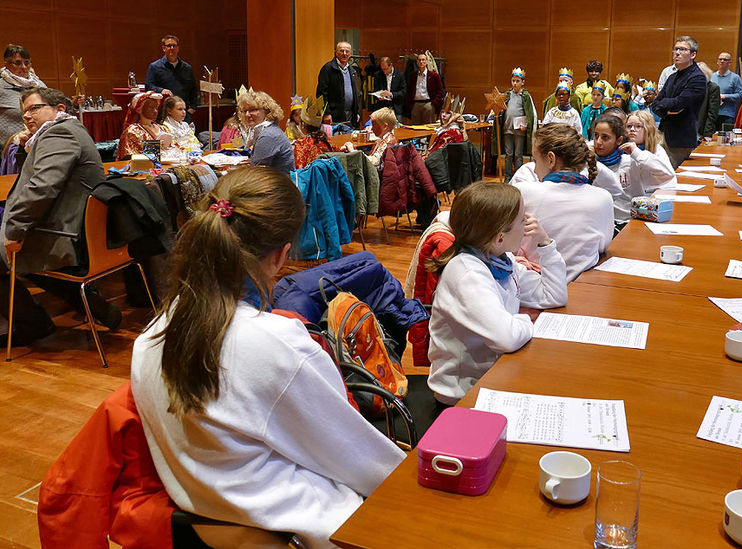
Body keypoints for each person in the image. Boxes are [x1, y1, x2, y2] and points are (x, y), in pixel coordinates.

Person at [130, 167, 404, 548]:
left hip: (206, 518)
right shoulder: (279, 346)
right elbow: (364, 463)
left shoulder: (151, 335)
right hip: (305, 529)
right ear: (281, 256)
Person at [425, 181, 567, 406]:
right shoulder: (467, 273)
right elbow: (506, 337)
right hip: (462, 396)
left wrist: (545, 243)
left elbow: (553, 295)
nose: (528, 224)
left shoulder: (501, 260)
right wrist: (528, 321)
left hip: (494, 375)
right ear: (500, 238)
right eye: (522, 220)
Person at [2, 87, 120, 343]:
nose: (28, 117)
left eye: (34, 108)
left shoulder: (60, 134)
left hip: (67, 237)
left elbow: (42, 187)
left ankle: (33, 324)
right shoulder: (65, 131)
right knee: (21, 256)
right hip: (74, 231)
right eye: (24, 113)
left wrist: (14, 229)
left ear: (60, 109)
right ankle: (93, 306)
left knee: (7, 251)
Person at [514, 124, 613, 282]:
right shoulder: (604, 198)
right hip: (582, 290)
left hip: (533, 290)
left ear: (551, 159)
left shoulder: (522, 192)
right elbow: (602, 247)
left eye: (535, 160)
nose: (533, 169)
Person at [650, 35, 707, 168]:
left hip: (680, 139)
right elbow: (655, 104)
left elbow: (679, 103)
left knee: (669, 178)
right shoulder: (672, 77)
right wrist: (668, 111)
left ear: (693, 54)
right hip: (663, 133)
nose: (677, 53)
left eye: (682, 49)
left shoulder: (697, 77)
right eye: (676, 49)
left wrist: (665, 105)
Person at [0, 44, 47, 147]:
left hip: (38, 146)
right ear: (6, 64)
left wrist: (74, 104)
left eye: (27, 63)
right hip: (8, 150)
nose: (24, 67)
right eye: (17, 63)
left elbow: (53, 109)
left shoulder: (39, 85)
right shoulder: (1, 86)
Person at [237, 89, 293, 173]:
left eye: (253, 110)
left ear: (267, 111)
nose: (247, 115)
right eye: (244, 111)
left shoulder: (268, 135)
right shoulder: (269, 129)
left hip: (277, 184)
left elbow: (255, 172)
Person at [496, 67, 537, 183]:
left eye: (517, 81)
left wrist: (526, 125)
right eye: (513, 80)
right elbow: (500, 109)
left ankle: (518, 178)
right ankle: (507, 177)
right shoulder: (507, 95)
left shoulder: (525, 96)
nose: (515, 83)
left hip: (519, 130)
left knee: (518, 155)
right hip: (507, 129)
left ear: (523, 82)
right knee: (509, 155)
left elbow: (530, 113)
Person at [144, 35, 197, 113]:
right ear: (164, 48)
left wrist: (193, 107)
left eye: (174, 46)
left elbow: (193, 89)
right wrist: (161, 90)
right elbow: (148, 86)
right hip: (163, 111)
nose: (172, 48)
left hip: (183, 113)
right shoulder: (154, 67)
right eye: (169, 46)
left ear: (178, 48)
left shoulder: (187, 68)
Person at [317, 42, 362, 128]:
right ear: (336, 52)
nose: (344, 54)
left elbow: (356, 94)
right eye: (342, 51)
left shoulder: (352, 70)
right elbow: (321, 94)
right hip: (334, 116)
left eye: (347, 51)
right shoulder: (327, 69)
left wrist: (357, 112)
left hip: (350, 116)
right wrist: (326, 113)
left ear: (350, 54)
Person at [117, 92, 171, 159]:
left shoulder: (162, 128)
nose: (155, 111)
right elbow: (127, 156)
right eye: (151, 107)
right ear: (139, 110)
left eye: (156, 108)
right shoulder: (132, 131)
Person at [405, 53, 444, 125]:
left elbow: (441, 91)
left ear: (426, 62)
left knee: (428, 127)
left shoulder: (434, 76)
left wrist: (434, 103)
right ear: (417, 62)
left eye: (423, 60)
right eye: (419, 60)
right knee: (416, 128)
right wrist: (410, 104)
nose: (421, 62)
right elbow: (409, 90)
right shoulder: (412, 75)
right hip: (415, 105)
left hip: (428, 104)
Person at [713, 52, 742, 131]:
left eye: (725, 60)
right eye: (720, 59)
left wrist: (724, 96)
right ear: (717, 61)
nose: (722, 61)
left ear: (729, 63)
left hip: (727, 115)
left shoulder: (735, 78)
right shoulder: (712, 76)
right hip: (712, 114)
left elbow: (740, 96)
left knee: (725, 140)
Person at [696, 62, 720, 142]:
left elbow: (712, 113)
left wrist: (707, 134)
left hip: (702, 129)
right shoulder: (689, 87)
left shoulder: (713, 88)